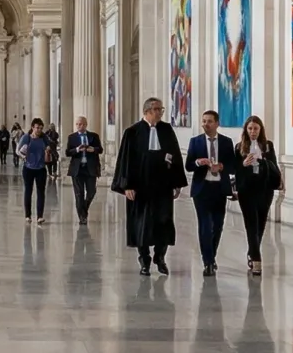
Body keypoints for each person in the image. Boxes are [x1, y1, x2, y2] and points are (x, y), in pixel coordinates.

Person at [111, 97, 187, 275]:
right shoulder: (132, 132)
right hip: (140, 187)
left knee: (164, 222)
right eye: (157, 109)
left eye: (161, 109)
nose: (160, 112)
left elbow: (175, 155)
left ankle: (159, 257)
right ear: (147, 111)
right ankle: (144, 260)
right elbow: (125, 160)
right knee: (142, 225)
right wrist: (127, 185)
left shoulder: (166, 130)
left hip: (163, 186)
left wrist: (177, 183)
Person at [186, 110, 242, 277]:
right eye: (203, 121)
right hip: (201, 189)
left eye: (209, 121)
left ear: (217, 123)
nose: (206, 124)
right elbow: (188, 165)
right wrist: (198, 162)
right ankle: (207, 262)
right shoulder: (195, 142)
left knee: (217, 226)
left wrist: (222, 167)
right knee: (204, 225)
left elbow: (233, 165)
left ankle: (212, 256)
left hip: (219, 189)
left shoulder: (226, 142)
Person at [232, 115, 282, 274]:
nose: (253, 131)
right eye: (250, 128)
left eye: (256, 128)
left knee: (260, 223)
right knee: (250, 223)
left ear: (260, 130)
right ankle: (256, 259)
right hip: (246, 189)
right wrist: (243, 164)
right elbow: (235, 171)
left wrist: (264, 163)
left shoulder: (267, 146)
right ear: (246, 130)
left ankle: (252, 251)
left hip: (264, 188)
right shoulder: (239, 147)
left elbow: (274, 165)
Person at [64, 115, 102, 220]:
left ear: (85, 124)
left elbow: (100, 149)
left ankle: (84, 208)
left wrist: (92, 149)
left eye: (81, 124)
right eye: (77, 124)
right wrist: (77, 150)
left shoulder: (94, 136)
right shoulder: (72, 137)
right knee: (79, 193)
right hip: (77, 169)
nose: (78, 126)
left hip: (90, 168)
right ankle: (82, 217)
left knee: (91, 191)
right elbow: (67, 152)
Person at [18, 118, 53, 224]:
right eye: (37, 128)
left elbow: (48, 156)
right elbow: (18, 151)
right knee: (28, 191)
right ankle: (28, 215)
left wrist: (47, 152)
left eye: (41, 128)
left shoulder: (44, 138)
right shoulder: (26, 138)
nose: (39, 130)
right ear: (32, 127)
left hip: (41, 168)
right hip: (28, 168)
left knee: (41, 192)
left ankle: (40, 216)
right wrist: (23, 155)